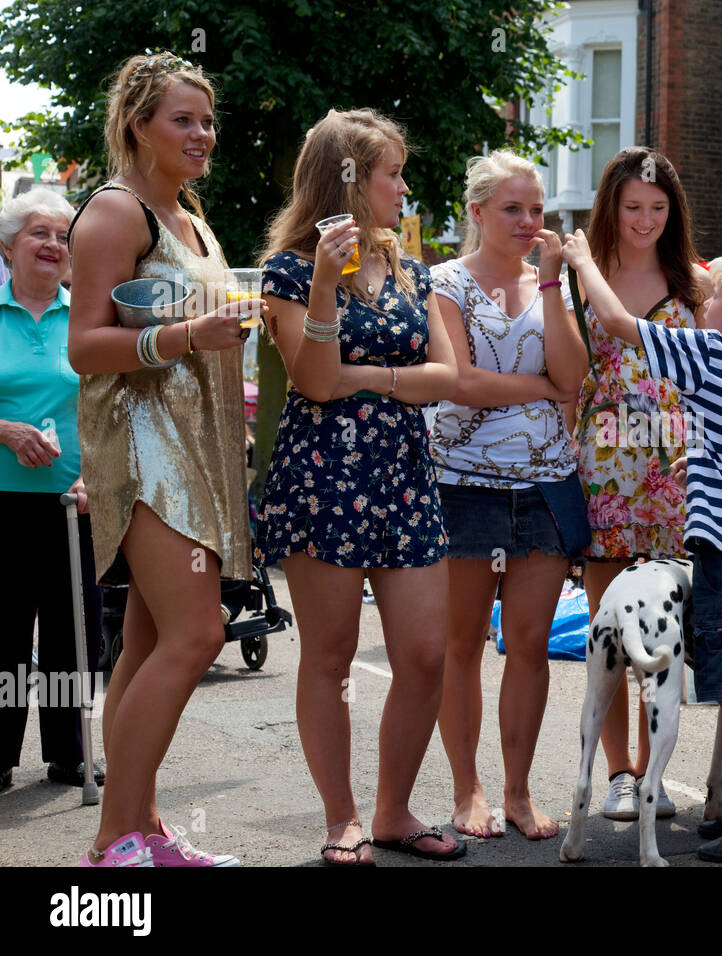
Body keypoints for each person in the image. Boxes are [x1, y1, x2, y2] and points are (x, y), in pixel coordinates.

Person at [255, 109, 462, 865]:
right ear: (348, 179)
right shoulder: (286, 269)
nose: (404, 188)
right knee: (331, 657)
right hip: (321, 481)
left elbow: (450, 376)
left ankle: (393, 811)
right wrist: (319, 284)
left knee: (426, 654)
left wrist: (366, 379)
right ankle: (342, 817)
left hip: (404, 477)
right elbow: (312, 379)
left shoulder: (414, 268)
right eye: (392, 173)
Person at [564, 228, 722, 862]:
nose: (704, 299)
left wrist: (583, 260)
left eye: (716, 293)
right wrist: (697, 462)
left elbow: (617, 321)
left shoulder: (714, 353)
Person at [66, 52, 253, 866]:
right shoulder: (115, 212)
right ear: (139, 124)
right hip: (145, 453)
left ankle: (141, 829)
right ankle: (114, 837)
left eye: (207, 120)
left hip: (201, 448)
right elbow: (84, 348)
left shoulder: (192, 215)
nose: (202, 134)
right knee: (198, 634)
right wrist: (185, 335)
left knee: (146, 644)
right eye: (184, 119)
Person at [431, 150, 589, 840]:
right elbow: (459, 381)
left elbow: (574, 373)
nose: (529, 222)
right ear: (477, 212)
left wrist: (552, 285)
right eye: (512, 209)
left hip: (545, 484)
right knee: (460, 644)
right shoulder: (442, 281)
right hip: (461, 486)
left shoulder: (550, 280)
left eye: (537, 209)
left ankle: (519, 795)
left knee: (528, 645)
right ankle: (468, 792)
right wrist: (541, 389)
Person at [567, 147, 708, 821]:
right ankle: (619, 773)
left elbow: (711, 383)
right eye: (632, 207)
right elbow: (568, 378)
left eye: (658, 208)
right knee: (613, 631)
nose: (645, 219)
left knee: (666, 630)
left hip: (677, 472)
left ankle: (657, 771)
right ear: (611, 208)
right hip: (603, 472)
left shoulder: (695, 286)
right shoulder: (578, 280)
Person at [0, 188, 104, 792]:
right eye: (40, 233)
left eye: (64, 236)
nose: (54, 245)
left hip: (74, 503)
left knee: (74, 633)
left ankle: (70, 753)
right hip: (3, 504)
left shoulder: (84, 317)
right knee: (4, 631)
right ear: (10, 246)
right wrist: (6, 430)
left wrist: (95, 474)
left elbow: (108, 408)